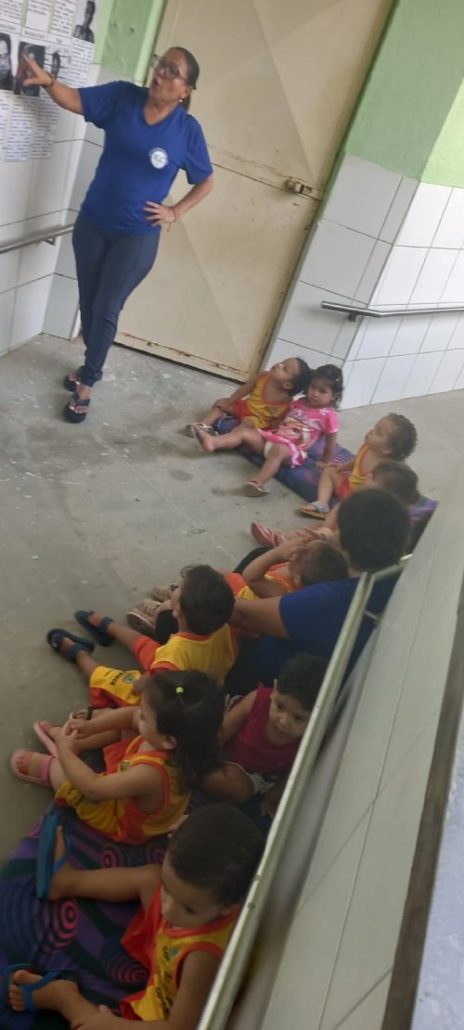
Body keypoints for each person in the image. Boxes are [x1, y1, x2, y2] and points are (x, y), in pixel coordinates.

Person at [22, 48, 214, 423]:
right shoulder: (123, 97)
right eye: (160, 65)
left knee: (107, 306)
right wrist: (48, 82)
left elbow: (206, 180)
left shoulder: (187, 131)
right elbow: (75, 99)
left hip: (136, 236)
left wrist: (175, 211)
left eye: (171, 71)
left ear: (185, 90)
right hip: (93, 224)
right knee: (89, 302)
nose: (160, 73)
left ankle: (87, 384)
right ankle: (88, 365)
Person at [6, 804, 263, 1028]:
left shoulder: (202, 959)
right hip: (165, 947)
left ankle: (64, 998)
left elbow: (180, 1027)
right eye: (168, 890)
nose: (168, 910)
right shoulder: (192, 902)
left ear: (229, 907)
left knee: (100, 1027)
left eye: (189, 908)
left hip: (162, 998)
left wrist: (114, 1025)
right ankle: (68, 881)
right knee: (151, 877)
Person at [10, 669, 223, 843]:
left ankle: (50, 765)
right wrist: (91, 726)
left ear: (168, 740)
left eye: (144, 716)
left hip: (119, 817)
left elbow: (94, 789)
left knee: (73, 782)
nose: (137, 713)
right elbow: (130, 717)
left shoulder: (150, 775)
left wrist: (64, 751)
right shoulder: (188, 745)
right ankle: (78, 744)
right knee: (122, 724)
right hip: (132, 774)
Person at [230, 490, 411, 690]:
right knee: (260, 554)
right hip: (308, 652)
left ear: (343, 540)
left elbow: (241, 615)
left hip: (262, 678)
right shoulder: (394, 579)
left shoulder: (331, 600)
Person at [48, 566, 237, 708]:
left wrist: (137, 684)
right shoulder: (222, 629)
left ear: (177, 609)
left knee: (111, 680)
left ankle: (80, 654)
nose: (174, 588)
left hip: (169, 699)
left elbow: (144, 686)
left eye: (179, 587)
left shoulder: (173, 655)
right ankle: (107, 628)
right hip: (191, 679)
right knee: (151, 649)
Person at [203, 654, 326, 815]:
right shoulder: (258, 700)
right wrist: (206, 753)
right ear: (274, 689)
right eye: (279, 706)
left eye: (298, 718)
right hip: (225, 739)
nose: (283, 721)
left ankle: (195, 774)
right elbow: (224, 729)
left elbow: (293, 772)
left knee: (231, 789)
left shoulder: (309, 740)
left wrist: (275, 795)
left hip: (251, 772)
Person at [195, 364, 344, 496]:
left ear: (334, 396)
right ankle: (213, 442)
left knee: (278, 449)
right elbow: (282, 418)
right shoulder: (299, 402)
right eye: (313, 387)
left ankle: (257, 483)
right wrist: (267, 430)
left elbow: (331, 439)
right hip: (272, 439)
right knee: (243, 431)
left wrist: (325, 460)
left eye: (322, 391)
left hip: (291, 452)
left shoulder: (329, 415)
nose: (315, 393)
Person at [250, 459, 421, 548]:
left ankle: (282, 544)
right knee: (311, 530)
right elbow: (340, 508)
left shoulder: (374, 520)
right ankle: (280, 538)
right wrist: (327, 524)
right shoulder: (361, 497)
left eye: (373, 477)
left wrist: (329, 534)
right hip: (332, 529)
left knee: (311, 541)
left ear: (385, 495)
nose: (367, 476)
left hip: (338, 543)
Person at [298, 413, 417, 518]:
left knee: (352, 511)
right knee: (329, 470)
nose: (371, 431)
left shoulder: (385, 468)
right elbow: (357, 460)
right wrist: (342, 467)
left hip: (359, 498)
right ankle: (322, 503)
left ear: (387, 449)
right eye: (374, 427)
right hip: (347, 485)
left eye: (378, 432)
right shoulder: (367, 447)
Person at [185, 357, 311, 436]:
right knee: (220, 403)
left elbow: (281, 419)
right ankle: (202, 426)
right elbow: (245, 389)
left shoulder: (287, 401)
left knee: (247, 424)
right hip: (244, 406)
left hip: (257, 419)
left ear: (287, 385)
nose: (279, 365)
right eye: (282, 362)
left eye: (284, 369)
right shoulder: (263, 376)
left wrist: (272, 432)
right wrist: (230, 401)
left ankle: (224, 439)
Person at [233, 536, 348, 600]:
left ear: (297, 578)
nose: (296, 549)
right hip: (243, 588)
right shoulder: (297, 570)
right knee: (260, 552)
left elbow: (250, 578)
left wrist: (276, 554)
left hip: (239, 602)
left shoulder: (282, 593)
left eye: (300, 553)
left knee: (226, 575)